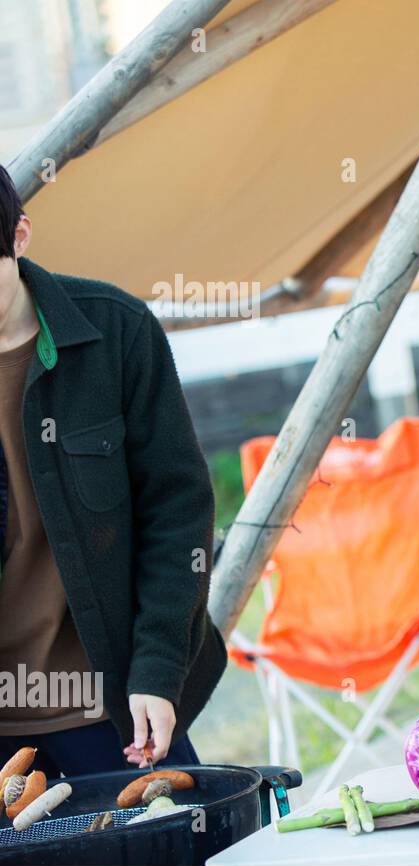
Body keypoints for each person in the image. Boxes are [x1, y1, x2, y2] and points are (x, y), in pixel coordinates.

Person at [0, 163, 224, 776]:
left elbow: (178, 514)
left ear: (19, 239)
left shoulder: (116, 332)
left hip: (117, 706)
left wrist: (158, 668)